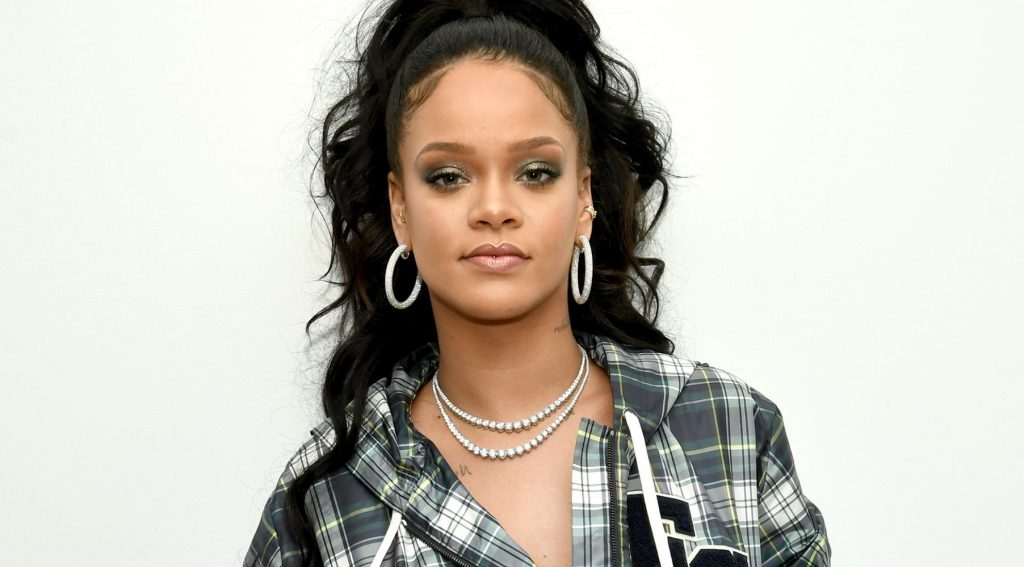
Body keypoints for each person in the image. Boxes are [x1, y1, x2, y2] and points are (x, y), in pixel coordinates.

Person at [244, 1, 830, 565]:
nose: (494, 208)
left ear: (583, 199)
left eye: (535, 172)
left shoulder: (727, 428)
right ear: (401, 208)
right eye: (448, 176)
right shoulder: (325, 495)